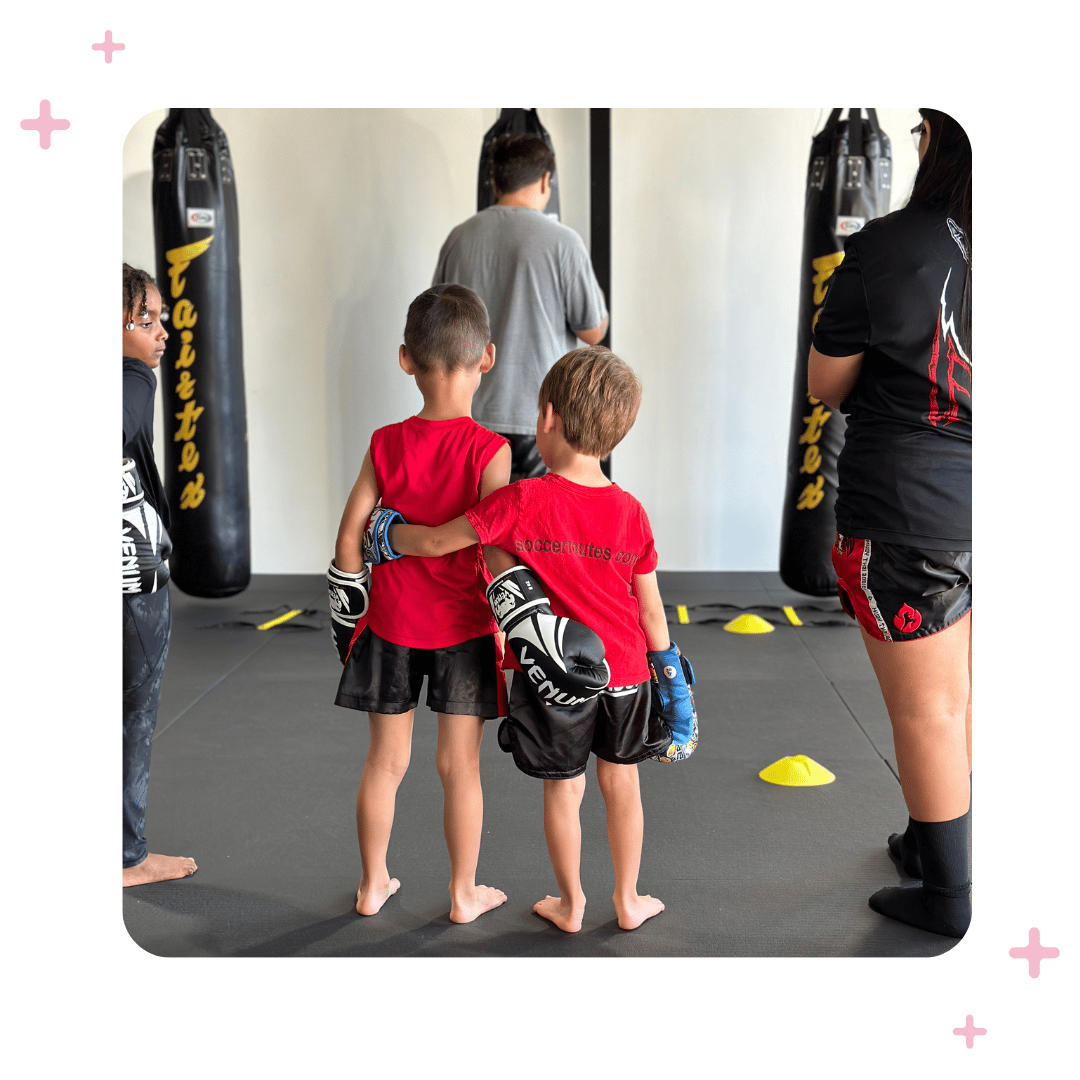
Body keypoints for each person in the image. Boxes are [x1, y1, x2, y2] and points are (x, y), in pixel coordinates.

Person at [378, 347, 697, 933]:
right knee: (623, 783)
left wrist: (386, 534)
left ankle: (571, 904)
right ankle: (628, 900)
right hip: (626, 673)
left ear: (546, 417)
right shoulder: (632, 512)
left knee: (564, 792)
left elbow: (439, 542)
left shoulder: (520, 500)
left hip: (555, 679)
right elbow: (652, 611)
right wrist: (672, 682)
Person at [807, 109, 972, 938]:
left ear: (937, 142)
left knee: (929, 711)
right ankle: (931, 838)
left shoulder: (886, 245)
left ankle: (948, 897)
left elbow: (827, 383)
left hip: (913, 510)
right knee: (963, 697)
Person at [330, 283, 512, 923]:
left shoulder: (385, 442)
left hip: (391, 624)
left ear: (406, 358)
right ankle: (463, 894)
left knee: (384, 764)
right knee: (460, 767)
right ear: (487, 357)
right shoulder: (492, 451)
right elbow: (493, 551)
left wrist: (348, 612)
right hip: (464, 627)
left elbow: (349, 536)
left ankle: (371, 884)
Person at [433, 133, 609, 481]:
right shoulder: (563, 242)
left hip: (469, 417)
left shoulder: (458, 238)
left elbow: (435, 324)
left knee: (475, 516)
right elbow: (592, 331)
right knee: (531, 518)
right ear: (546, 181)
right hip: (541, 421)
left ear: (494, 180)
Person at [122, 263, 198, 887]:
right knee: (134, 713)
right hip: (132, 578)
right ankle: (126, 857)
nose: (162, 333)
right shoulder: (132, 378)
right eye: (146, 319)